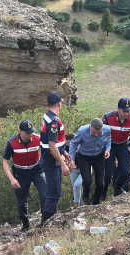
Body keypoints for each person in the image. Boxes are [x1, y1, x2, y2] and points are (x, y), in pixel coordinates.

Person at [2, 120, 47, 232]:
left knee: (45, 195)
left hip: (37, 171)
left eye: (31, 132)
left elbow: (50, 148)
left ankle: (45, 221)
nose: (30, 135)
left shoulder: (38, 139)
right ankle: (25, 224)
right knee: (21, 202)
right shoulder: (12, 143)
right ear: (20, 131)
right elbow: (5, 161)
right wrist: (12, 179)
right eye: (27, 133)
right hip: (21, 174)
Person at [39, 92, 72, 227]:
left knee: (53, 192)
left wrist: (64, 152)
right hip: (51, 162)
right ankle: (45, 221)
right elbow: (52, 146)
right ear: (59, 104)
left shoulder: (46, 117)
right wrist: (63, 164)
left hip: (51, 159)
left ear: (47, 104)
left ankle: (50, 215)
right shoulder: (53, 122)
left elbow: (53, 143)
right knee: (55, 193)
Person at [69, 118, 111, 205]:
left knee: (101, 183)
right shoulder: (82, 131)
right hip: (84, 157)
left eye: (99, 133)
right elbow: (73, 143)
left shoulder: (107, 130)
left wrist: (108, 149)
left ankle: (96, 202)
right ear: (90, 127)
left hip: (99, 156)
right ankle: (86, 193)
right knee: (87, 180)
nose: (96, 135)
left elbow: (108, 139)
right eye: (93, 132)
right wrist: (72, 158)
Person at [65, 133, 83, 208]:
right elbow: (65, 159)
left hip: (83, 169)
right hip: (74, 170)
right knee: (75, 188)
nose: (69, 145)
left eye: (70, 143)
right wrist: (67, 163)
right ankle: (81, 206)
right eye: (67, 143)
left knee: (77, 185)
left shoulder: (82, 146)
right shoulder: (66, 148)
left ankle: (76, 204)